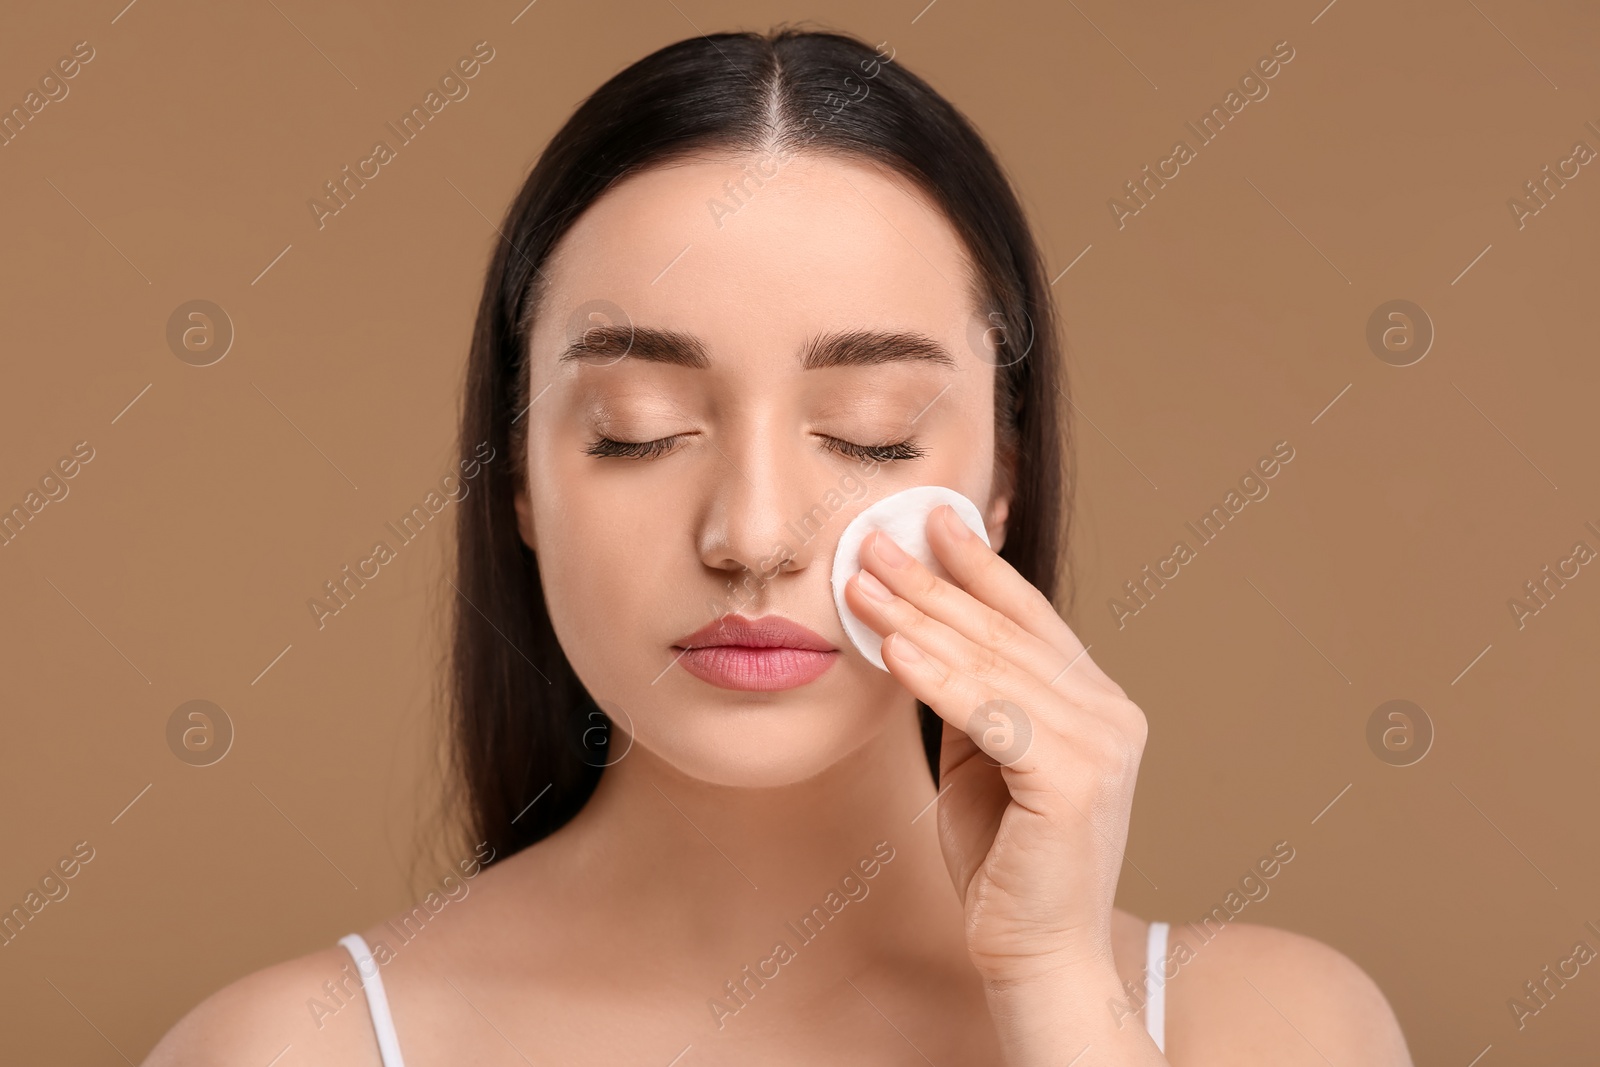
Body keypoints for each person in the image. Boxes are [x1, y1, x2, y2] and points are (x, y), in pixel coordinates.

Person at [145, 25, 1412, 1065]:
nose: (752, 535)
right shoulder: (291, 1046)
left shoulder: (1268, 1025)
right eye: (636, 432)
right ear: (517, 480)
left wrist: (1055, 988)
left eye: (869, 434)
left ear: (1002, 478)